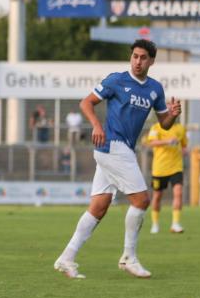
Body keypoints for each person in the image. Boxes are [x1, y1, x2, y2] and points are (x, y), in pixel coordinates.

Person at [53, 39, 181, 280]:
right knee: (142, 200)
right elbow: (86, 102)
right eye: (135, 56)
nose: (138, 61)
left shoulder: (155, 89)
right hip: (111, 146)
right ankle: (128, 257)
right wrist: (96, 125)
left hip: (122, 150)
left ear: (151, 61)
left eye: (143, 57)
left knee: (99, 207)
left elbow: (164, 124)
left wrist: (172, 116)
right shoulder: (117, 80)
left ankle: (66, 258)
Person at [145, 119, 188, 234]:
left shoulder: (180, 128)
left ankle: (175, 224)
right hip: (160, 169)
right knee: (157, 196)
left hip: (176, 167)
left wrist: (184, 151)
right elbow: (151, 143)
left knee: (178, 193)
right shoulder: (156, 127)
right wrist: (168, 141)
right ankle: (155, 224)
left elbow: (184, 145)